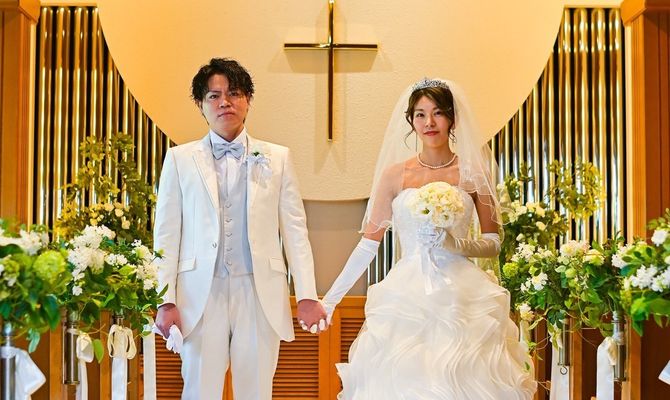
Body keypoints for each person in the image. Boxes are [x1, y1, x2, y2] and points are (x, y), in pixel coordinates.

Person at [321, 78, 537, 399]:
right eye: (420, 115)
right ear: (411, 121)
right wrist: (330, 300)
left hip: (461, 294)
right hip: (407, 292)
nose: (429, 122)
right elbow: (368, 245)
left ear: (452, 118)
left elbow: (493, 242)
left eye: (438, 113)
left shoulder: (473, 173)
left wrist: (456, 245)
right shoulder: (395, 175)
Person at [153, 57, 327, 399]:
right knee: (200, 390)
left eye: (234, 93)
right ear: (201, 104)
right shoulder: (179, 160)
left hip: (259, 290)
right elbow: (166, 235)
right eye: (214, 95)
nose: (225, 102)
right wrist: (164, 299)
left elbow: (295, 231)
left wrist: (307, 293)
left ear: (247, 99)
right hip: (199, 293)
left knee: (257, 390)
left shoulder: (277, 157)